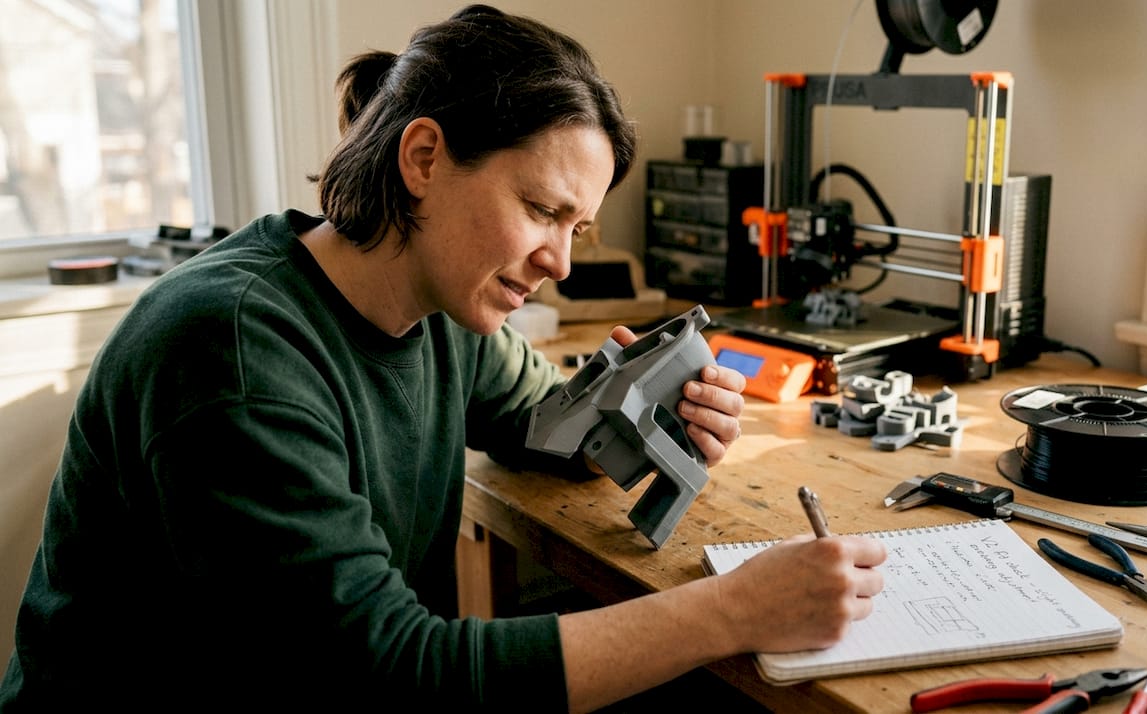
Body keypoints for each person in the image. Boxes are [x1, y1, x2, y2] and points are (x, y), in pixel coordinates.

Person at [0, 5, 886, 712]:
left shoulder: (447, 310)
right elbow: (388, 673)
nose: (562, 262)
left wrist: (640, 406)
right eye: (541, 210)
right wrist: (731, 610)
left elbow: (542, 427)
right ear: (423, 157)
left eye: (577, 229)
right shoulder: (232, 352)